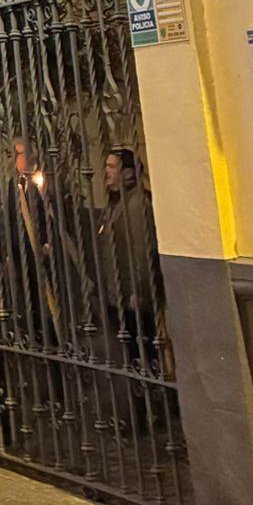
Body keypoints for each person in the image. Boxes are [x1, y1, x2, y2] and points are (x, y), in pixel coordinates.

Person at [98, 147, 161, 376]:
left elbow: (142, 250)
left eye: (111, 167)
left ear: (127, 173)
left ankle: (150, 388)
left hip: (132, 294)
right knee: (130, 348)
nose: (106, 171)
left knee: (142, 347)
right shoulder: (116, 201)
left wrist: (138, 290)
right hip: (118, 291)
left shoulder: (136, 204)